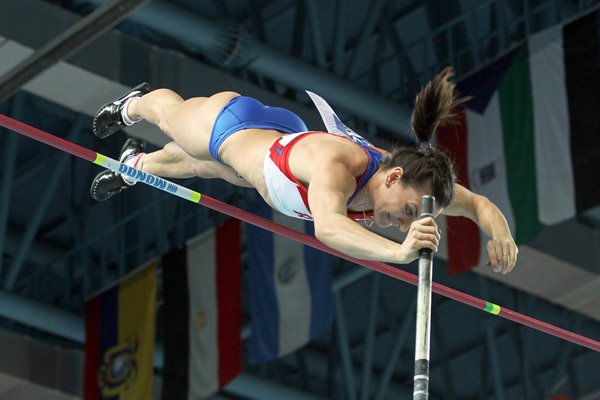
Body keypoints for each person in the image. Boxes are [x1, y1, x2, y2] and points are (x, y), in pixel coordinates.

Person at [90, 67, 517, 273]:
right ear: (391, 177)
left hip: (276, 156)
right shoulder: (337, 167)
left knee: (207, 169)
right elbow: (328, 228)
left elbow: (477, 203)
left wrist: (501, 235)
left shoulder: (415, 183)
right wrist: (398, 253)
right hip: (231, 126)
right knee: (177, 123)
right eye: (408, 211)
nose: (405, 222)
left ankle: (136, 165)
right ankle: (131, 104)